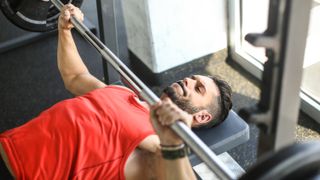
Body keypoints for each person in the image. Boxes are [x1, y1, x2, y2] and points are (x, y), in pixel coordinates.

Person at [0, 4, 232, 179]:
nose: (188, 81)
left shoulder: (156, 143)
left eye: (198, 88)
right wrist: (65, 31)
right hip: (7, 143)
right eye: (192, 78)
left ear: (201, 116)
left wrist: (173, 142)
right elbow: (75, 78)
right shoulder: (125, 94)